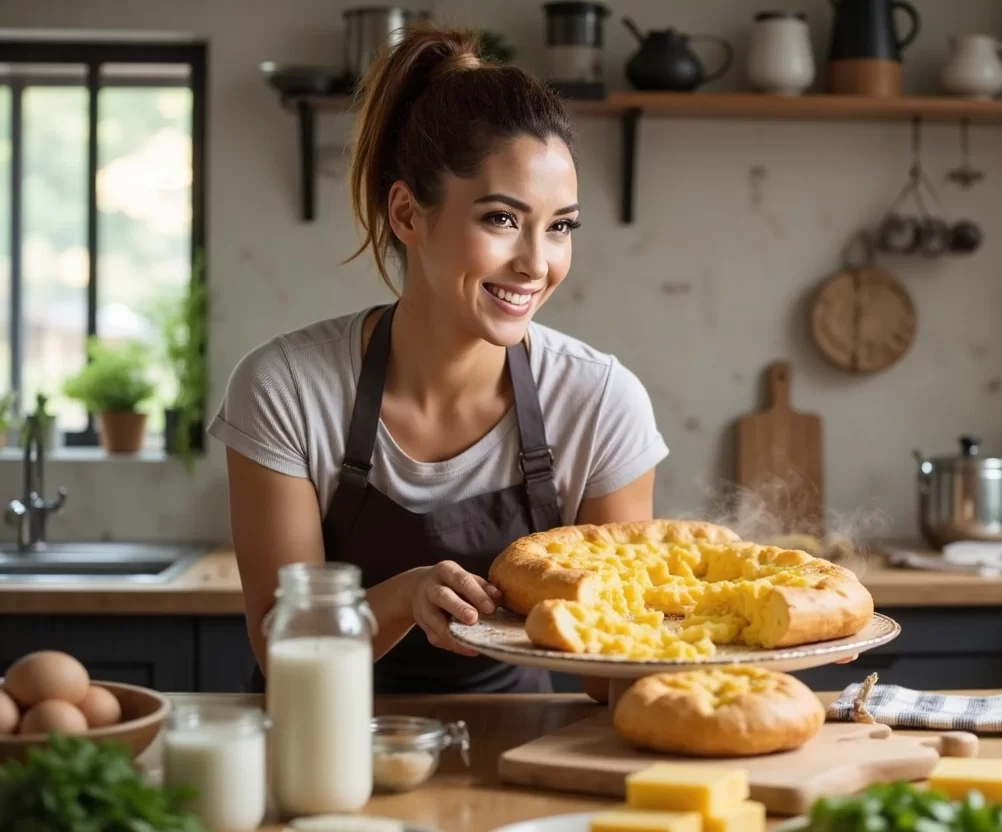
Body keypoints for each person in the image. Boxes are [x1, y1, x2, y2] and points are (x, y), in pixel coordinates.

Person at [207, 22, 669, 695]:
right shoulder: (287, 389)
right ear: (407, 215)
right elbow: (285, 651)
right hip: (318, 744)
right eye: (501, 219)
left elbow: (614, 673)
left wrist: (734, 645)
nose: (536, 264)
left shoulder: (599, 401)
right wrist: (402, 598)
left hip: (516, 752)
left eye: (560, 226)